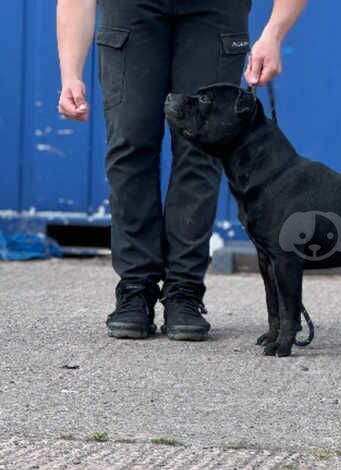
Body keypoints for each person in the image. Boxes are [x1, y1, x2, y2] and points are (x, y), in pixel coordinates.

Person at [56, 0, 307, 341]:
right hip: (131, 10)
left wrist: (273, 34)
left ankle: (184, 291)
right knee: (130, 142)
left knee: (200, 149)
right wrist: (70, 74)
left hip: (215, 11)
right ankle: (135, 287)